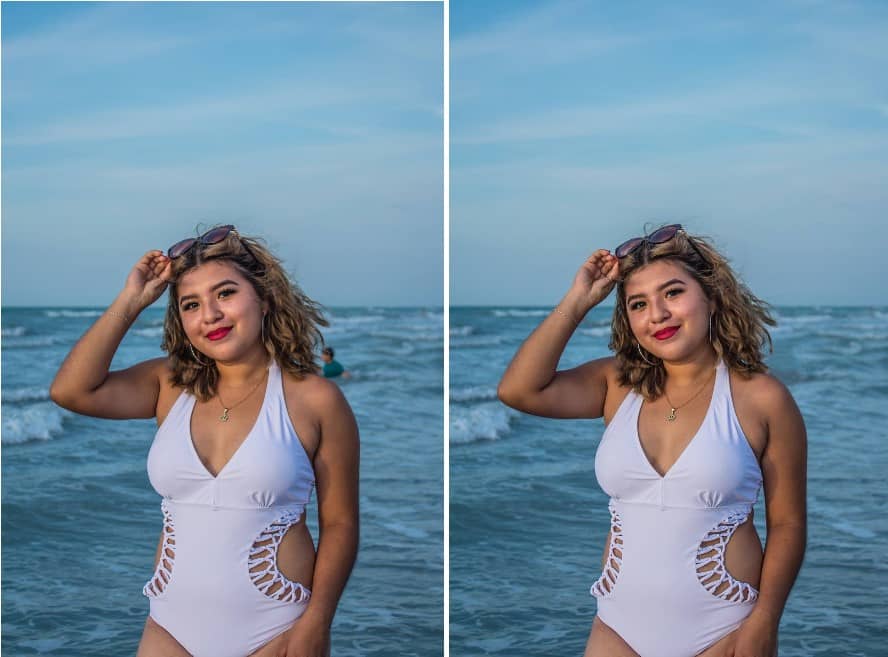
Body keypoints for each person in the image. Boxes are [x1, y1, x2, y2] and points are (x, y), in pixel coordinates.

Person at [50, 225, 360, 657]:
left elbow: (341, 523)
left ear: (265, 299)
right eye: (190, 304)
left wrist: (317, 623)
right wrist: (132, 301)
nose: (209, 314)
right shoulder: (168, 385)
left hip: (275, 629)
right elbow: (71, 391)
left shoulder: (316, 399)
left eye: (226, 293)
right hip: (169, 627)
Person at [497, 224, 806, 657]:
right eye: (638, 304)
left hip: (723, 629)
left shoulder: (762, 397)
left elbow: (788, 523)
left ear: (712, 297)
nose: (656, 314)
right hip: (616, 627)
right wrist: (579, 300)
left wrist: (765, 622)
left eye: (673, 293)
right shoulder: (616, 384)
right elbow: (519, 391)